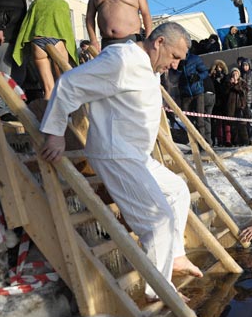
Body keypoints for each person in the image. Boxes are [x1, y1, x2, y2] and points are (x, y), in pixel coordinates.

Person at [39, 21, 202, 300]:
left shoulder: (149, 65)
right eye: (174, 57)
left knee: (177, 190)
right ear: (159, 42)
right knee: (158, 220)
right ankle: (159, 290)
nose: (175, 66)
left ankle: (174, 256)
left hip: (135, 154)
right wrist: (54, 132)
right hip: (115, 154)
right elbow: (69, 84)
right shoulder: (122, 59)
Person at [12, 0, 77, 99]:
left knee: (48, 88)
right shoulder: (62, 4)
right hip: (56, 40)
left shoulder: (36, 2)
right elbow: (66, 28)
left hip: (37, 42)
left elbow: (27, 23)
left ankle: (48, 115)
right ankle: (65, 115)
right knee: (61, 83)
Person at [178, 51, 207, 139]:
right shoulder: (177, 59)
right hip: (185, 94)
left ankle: (203, 143)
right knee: (187, 121)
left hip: (197, 92)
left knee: (199, 120)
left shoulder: (194, 58)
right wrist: (178, 69)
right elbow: (173, 75)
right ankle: (193, 144)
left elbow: (205, 72)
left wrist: (197, 76)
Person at [210, 60, 230, 146]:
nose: (219, 70)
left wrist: (220, 82)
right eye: (217, 68)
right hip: (216, 102)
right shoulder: (212, 78)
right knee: (218, 123)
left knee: (227, 122)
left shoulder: (226, 77)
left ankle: (228, 140)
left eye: (220, 68)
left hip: (225, 102)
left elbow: (226, 89)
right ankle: (220, 140)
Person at [226, 67, 248, 146]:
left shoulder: (243, 82)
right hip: (231, 106)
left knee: (242, 124)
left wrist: (236, 84)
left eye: (236, 73)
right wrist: (230, 84)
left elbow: (243, 92)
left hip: (240, 105)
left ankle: (245, 141)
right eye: (233, 74)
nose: (235, 75)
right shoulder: (228, 83)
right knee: (233, 125)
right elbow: (225, 93)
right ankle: (235, 141)